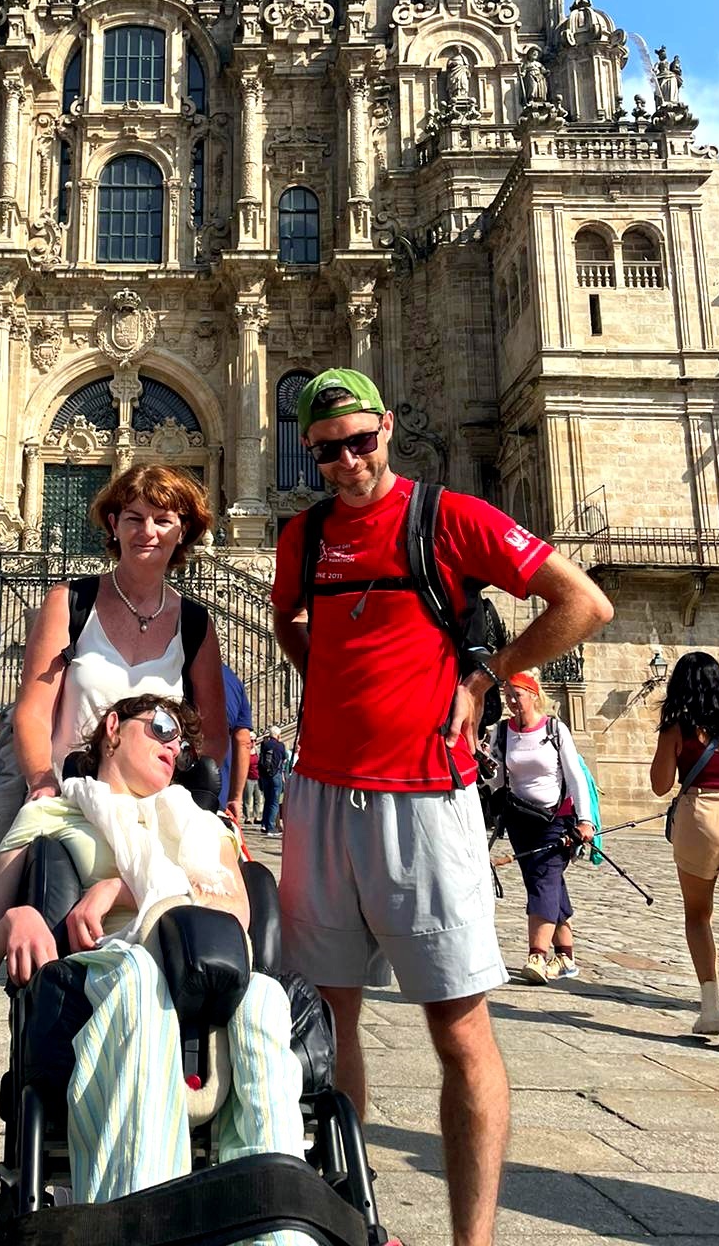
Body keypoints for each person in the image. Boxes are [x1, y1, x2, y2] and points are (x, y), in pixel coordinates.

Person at [271, 367, 613, 1246]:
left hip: (424, 800)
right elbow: (286, 619)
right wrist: (329, 683)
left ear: (388, 426)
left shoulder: (448, 516)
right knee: (326, 1014)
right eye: (326, 451)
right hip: (318, 798)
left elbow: (585, 601)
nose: (347, 463)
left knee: (458, 1026)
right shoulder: (300, 538)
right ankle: (349, 1212)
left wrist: (488, 673)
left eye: (360, 442)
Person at [0, 695, 305, 1207]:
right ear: (112, 728)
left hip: (209, 975)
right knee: (139, 975)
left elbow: (237, 908)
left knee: (264, 1000)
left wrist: (127, 889)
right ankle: (140, 1215)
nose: (173, 747)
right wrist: (15, 919)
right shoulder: (51, 814)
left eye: (182, 744)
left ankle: (273, 1225)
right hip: (108, 970)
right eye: (161, 728)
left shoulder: (208, 825)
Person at [13, 464, 228, 797]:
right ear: (114, 525)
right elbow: (34, 712)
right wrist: (42, 783)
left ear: (182, 531)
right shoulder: (68, 603)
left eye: (163, 520)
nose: (148, 531)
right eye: (134, 518)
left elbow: (213, 734)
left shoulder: (195, 623)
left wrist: (179, 790)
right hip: (70, 802)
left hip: (155, 811)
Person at [483, 674, 595, 984]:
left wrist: (585, 820)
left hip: (557, 820)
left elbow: (575, 777)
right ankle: (566, 957)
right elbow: (495, 778)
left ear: (534, 695)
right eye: (507, 695)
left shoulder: (555, 730)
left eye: (516, 694)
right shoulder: (503, 732)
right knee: (546, 881)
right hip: (521, 821)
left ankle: (537, 955)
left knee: (543, 882)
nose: (511, 700)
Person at [649, 650, 719, 1036]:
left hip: (701, 814)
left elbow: (661, 784)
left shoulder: (678, 725)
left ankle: (711, 1009)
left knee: (698, 914)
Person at [218, 664, 252, 819]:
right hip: (217, 788)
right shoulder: (233, 681)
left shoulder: (171, 666)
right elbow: (243, 741)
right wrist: (236, 797)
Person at [258, 726, 287, 835]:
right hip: (276, 775)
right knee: (274, 802)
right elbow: (284, 758)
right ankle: (271, 827)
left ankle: (264, 825)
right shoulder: (280, 745)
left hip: (265, 776)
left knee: (267, 800)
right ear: (278, 735)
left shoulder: (264, 744)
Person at [243, 736, 262, 826]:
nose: (253, 742)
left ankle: (256, 816)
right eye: (251, 740)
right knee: (247, 799)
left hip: (257, 777)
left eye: (255, 740)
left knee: (257, 799)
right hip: (248, 778)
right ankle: (247, 817)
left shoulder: (257, 751)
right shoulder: (245, 752)